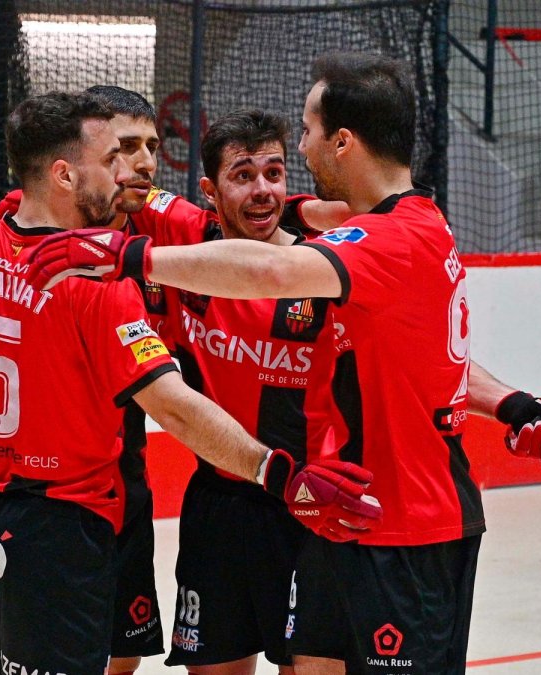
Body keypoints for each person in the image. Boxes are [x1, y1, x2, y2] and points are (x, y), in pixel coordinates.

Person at [23, 54, 541, 675]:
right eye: (244, 175)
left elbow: (271, 269)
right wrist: (509, 401)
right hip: (288, 514)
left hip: (347, 506)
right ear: (211, 192)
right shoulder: (223, 234)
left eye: (291, 155)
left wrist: (127, 255)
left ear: (341, 142)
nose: (273, 180)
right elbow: (409, 358)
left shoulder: (351, 253)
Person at [0, 90, 381, 675]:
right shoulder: (100, 278)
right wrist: (279, 473)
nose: (132, 168)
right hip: (67, 517)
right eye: (116, 153)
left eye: (145, 151)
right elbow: (174, 406)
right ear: (67, 170)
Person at [134, 109, 350, 674]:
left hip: (310, 507)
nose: (262, 191)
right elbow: (122, 186)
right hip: (219, 504)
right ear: (209, 191)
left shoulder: (325, 263)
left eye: (274, 174)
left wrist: (306, 209)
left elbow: (392, 211)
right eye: (243, 175)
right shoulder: (183, 234)